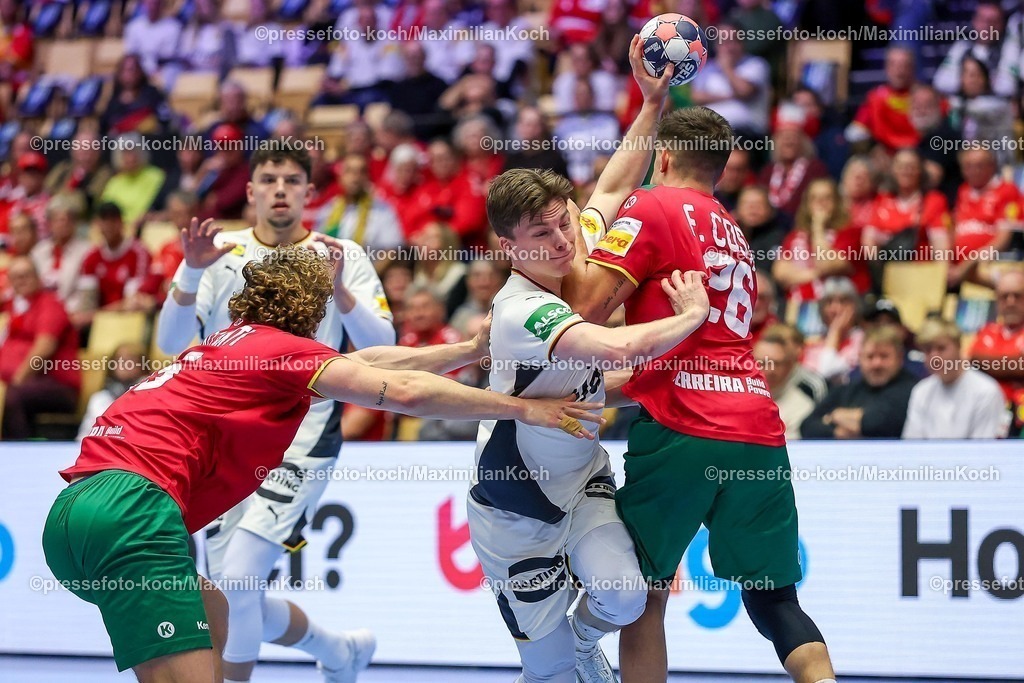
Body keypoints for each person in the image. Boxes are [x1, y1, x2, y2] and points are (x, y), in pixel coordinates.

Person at [43, 245, 602, 683]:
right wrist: (524, 407)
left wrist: (463, 352)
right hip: (134, 513)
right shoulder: (277, 351)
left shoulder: (228, 345)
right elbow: (402, 391)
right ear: (313, 313)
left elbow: (366, 360)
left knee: (215, 603)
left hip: (72, 512)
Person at [562, 105, 838, 683]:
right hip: (757, 425)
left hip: (683, 429)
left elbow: (584, 311)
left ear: (662, 158)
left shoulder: (651, 206)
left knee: (645, 595)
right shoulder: (734, 232)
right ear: (720, 168)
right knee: (775, 602)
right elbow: (687, 352)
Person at [470, 38, 701, 683]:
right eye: (541, 234)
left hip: (584, 480)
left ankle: (582, 639)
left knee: (626, 597)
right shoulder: (519, 312)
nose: (562, 241)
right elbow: (616, 347)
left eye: (562, 223)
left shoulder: (572, 247)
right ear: (507, 247)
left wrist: (652, 102)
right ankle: (559, 658)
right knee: (545, 677)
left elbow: (615, 181)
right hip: (517, 506)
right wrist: (687, 319)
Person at [155, 144, 396, 683]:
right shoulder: (215, 252)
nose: (280, 188)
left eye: (292, 180)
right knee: (231, 596)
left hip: (301, 435)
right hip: (222, 440)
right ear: (251, 191)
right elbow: (171, 342)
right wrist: (190, 273)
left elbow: (383, 340)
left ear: (310, 193)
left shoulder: (341, 252)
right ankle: (337, 650)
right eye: (269, 179)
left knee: (236, 583)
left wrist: (338, 286)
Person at [0, 256, 80, 438]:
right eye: (17, 277)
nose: (22, 281)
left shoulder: (50, 304)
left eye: (26, 275)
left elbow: (44, 346)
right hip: (27, 385)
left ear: (38, 277)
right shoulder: (17, 309)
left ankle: (20, 454)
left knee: (12, 397)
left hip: (57, 386)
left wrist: (17, 379)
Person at [800, 326, 919, 439]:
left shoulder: (913, 390)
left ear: (899, 358)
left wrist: (834, 416)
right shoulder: (847, 389)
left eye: (884, 357)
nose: (876, 364)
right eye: (870, 357)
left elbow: (878, 424)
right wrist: (835, 432)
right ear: (860, 358)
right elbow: (807, 426)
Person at [903, 318, 1009, 439]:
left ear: (958, 347)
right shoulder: (920, 392)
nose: (934, 357)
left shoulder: (986, 392)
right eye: (928, 350)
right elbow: (912, 446)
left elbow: (984, 452)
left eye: (941, 348)